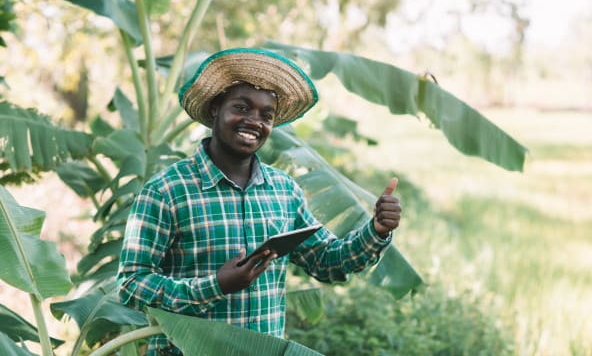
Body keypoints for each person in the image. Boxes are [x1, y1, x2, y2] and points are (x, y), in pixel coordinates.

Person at [117, 48, 402, 356]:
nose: (254, 121)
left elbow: (328, 261)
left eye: (266, 115)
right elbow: (132, 285)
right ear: (215, 108)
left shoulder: (283, 191)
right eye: (242, 107)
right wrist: (216, 285)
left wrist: (377, 230)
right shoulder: (167, 190)